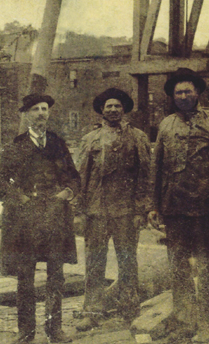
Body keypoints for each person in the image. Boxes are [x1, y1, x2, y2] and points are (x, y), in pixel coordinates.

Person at [149, 68, 209, 343]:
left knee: (208, 269)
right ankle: (185, 321)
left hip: (204, 209)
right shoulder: (166, 125)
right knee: (179, 268)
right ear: (173, 97)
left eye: (188, 91)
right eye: (178, 92)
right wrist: (154, 205)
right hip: (174, 208)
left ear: (197, 93)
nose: (183, 96)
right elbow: (157, 167)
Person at [0, 93, 80, 343]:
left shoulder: (58, 144)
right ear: (27, 114)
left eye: (45, 109)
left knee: (56, 276)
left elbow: (74, 177)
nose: (41, 113)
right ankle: (26, 331)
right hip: (26, 223)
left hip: (55, 219)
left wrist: (66, 193)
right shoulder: (15, 146)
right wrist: (20, 198)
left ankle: (54, 329)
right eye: (36, 109)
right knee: (25, 277)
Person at [75, 88, 151, 330]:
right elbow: (80, 177)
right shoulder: (90, 139)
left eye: (117, 106)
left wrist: (141, 210)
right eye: (108, 106)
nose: (113, 110)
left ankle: (129, 309)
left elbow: (145, 175)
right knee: (94, 262)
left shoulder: (138, 137)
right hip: (96, 210)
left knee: (128, 261)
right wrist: (79, 210)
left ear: (124, 109)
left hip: (126, 211)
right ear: (101, 110)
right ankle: (93, 310)